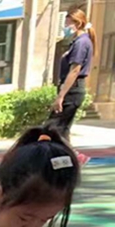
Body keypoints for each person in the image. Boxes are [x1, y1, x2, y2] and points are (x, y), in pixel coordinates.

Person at [46, 8, 96, 142]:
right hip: (71, 89)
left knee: (52, 128)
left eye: (67, 24)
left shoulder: (81, 43)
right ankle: (67, 153)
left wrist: (61, 96)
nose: (65, 27)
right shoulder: (77, 42)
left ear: (77, 24)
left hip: (72, 90)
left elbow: (74, 71)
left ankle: (62, 153)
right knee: (61, 130)